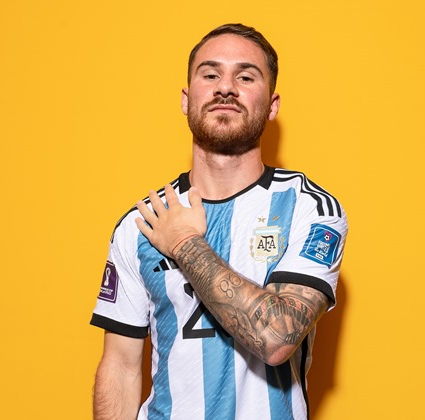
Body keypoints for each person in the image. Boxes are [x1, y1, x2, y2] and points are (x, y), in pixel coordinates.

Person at [90, 23, 348, 420]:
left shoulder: (308, 208)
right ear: (186, 99)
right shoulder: (141, 223)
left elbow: (277, 337)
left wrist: (184, 243)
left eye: (245, 77)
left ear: (272, 105)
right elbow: (120, 368)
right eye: (210, 75)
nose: (225, 87)